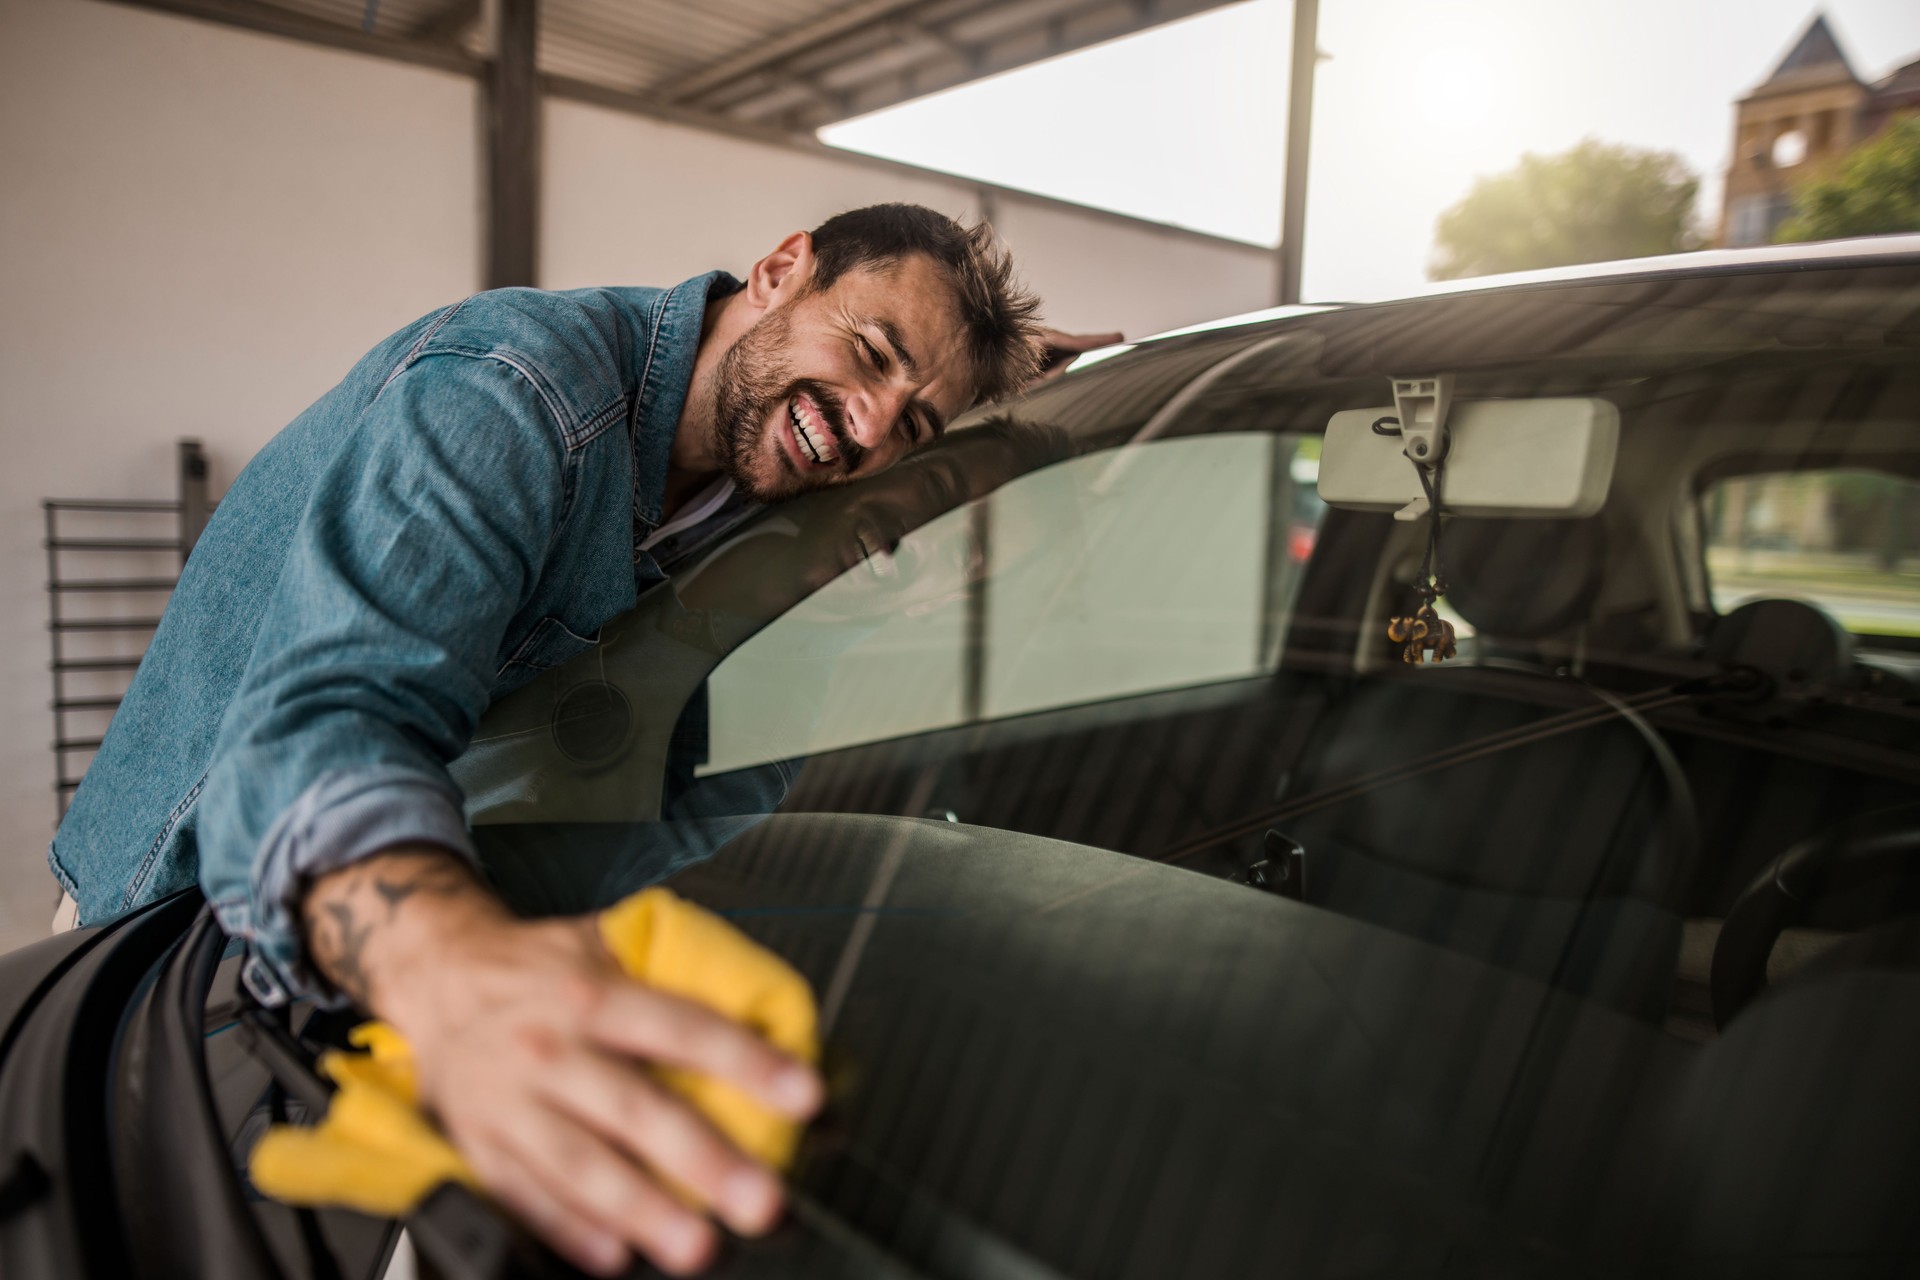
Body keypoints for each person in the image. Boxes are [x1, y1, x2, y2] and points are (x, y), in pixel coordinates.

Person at [48, 203, 1116, 1277]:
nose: (874, 427)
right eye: (870, 350)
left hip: (340, 1021)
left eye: (913, 424)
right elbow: (323, 729)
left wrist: (988, 376)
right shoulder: (513, 390)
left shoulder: (761, 510)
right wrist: (450, 970)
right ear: (783, 267)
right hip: (152, 949)